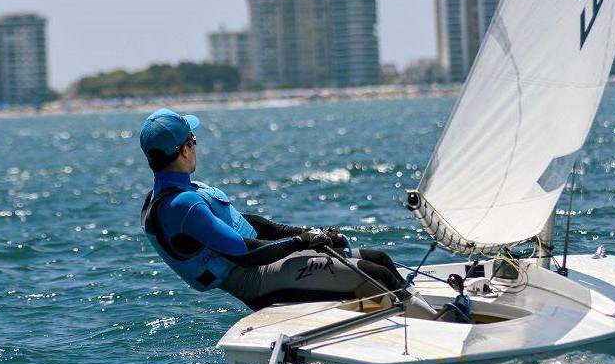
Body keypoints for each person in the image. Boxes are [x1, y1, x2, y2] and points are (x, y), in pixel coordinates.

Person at [139, 108, 435, 314]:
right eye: (193, 140)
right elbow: (246, 251)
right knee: (374, 275)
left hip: (273, 265)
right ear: (185, 150)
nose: (196, 146)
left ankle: (414, 312)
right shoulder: (182, 207)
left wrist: (308, 234)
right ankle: (434, 327)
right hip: (259, 281)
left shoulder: (177, 192)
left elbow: (252, 225)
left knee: (379, 259)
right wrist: (301, 243)